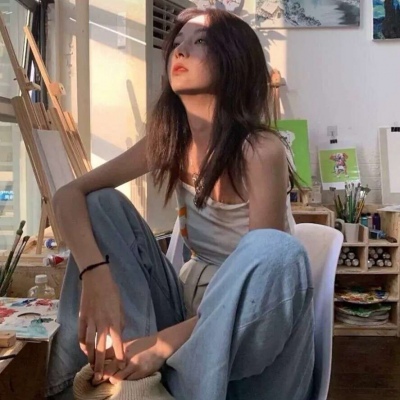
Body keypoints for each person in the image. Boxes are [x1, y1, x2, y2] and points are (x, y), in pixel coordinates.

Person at [46, 7, 314, 400]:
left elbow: (265, 272)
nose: (180, 51)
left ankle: (150, 381)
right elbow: (68, 195)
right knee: (101, 204)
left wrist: (161, 344)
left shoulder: (260, 150)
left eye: (201, 41)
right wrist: (95, 276)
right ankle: (110, 384)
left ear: (234, 58)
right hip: (188, 312)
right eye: (177, 43)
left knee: (276, 250)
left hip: (250, 326)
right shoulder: (169, 142)